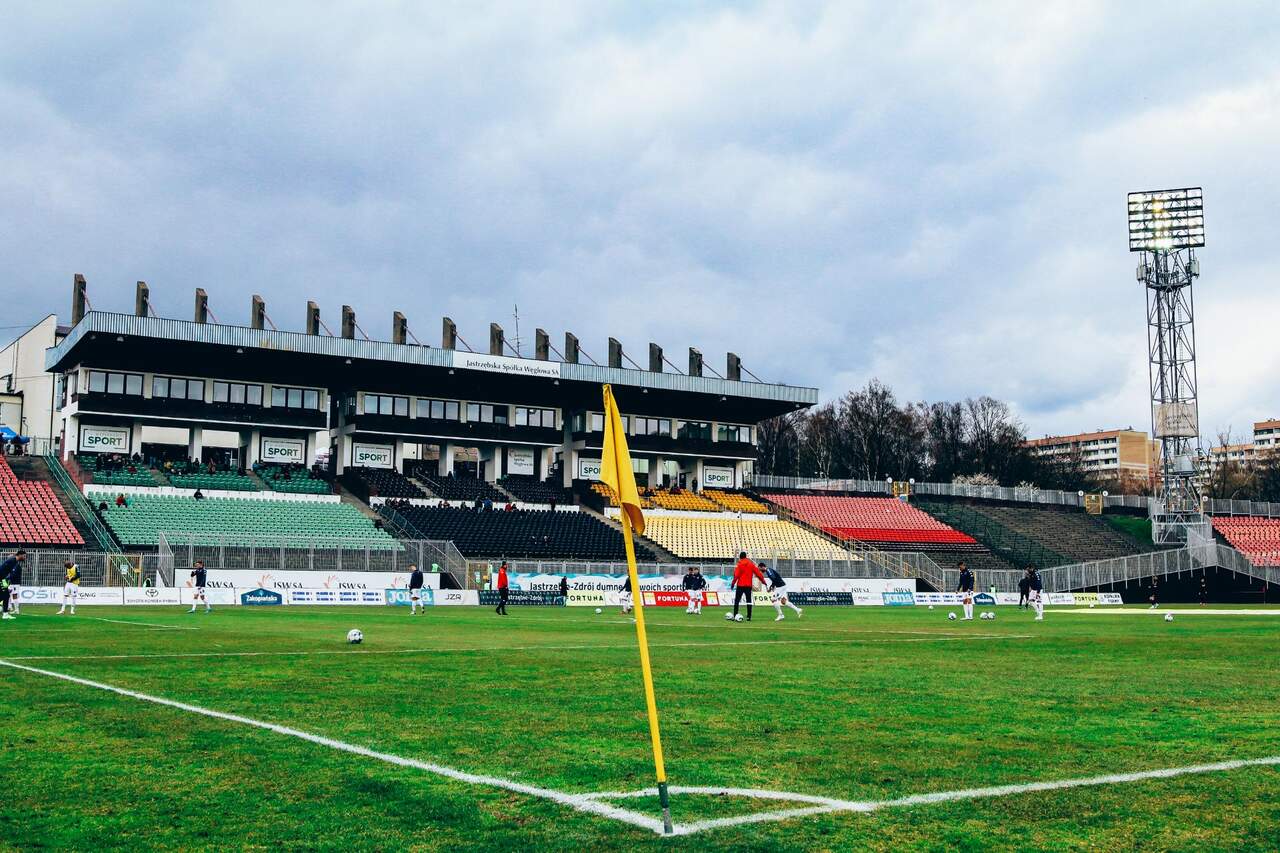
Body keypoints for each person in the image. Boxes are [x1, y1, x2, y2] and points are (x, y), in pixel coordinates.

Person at [730, 552, 766, 622]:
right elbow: (758, 573)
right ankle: (749, 617)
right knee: (749, 601)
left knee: (737, 601)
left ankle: (735, 615)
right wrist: (763, 581)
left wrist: (733, 583)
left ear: (740, 557)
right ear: (746, 556)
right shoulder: (751, 564)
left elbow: (736, 575)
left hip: (740, 585)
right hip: (748, 586)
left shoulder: (739, 564)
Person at [0, 549, 25, 619]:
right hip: (2, 579)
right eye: (24, 556)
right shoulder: (13, 561)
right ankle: (5, 614)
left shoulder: (14, 561)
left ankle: (5, 613)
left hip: (3, 579)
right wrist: (4, 581)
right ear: (20, 555)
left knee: (5, 595)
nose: (24, 557)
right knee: (6, 595)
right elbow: (2, 571)